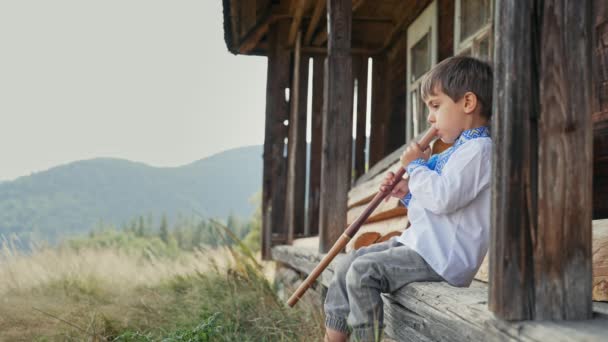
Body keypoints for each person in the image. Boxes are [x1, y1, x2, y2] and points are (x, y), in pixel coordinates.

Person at [323, 56, 493, 342]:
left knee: (363, 273)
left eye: (436, 106)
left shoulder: (480, 150)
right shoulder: (456, 150)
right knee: (348, 263)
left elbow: (442, 199)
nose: (430, 118)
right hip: (422, 247)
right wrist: (408, 192)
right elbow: (437, 206)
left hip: (441, 259)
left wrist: (415, 168)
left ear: (467, 103)